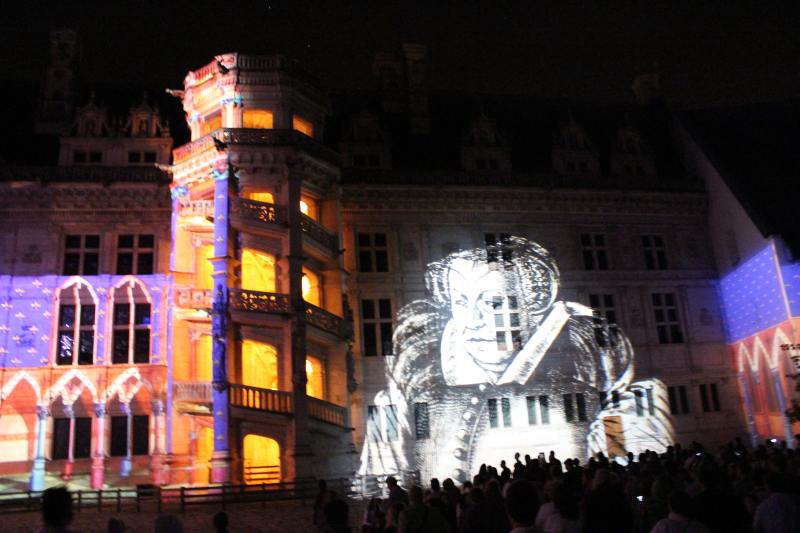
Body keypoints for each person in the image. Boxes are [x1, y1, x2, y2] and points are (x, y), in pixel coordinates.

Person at [358, 236, 672, 483]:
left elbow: (625, 469)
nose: (472, 320)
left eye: (493, 303)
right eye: (460, 303)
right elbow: (381, 474)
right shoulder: (405, 386)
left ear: (532, 301)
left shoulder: (603, 377)